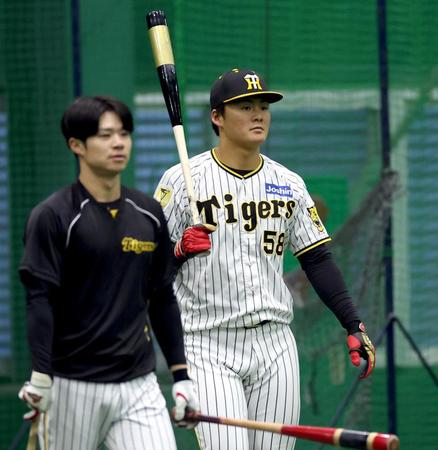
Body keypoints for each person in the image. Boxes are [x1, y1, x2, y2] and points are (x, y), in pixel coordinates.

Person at [154, 68, 376, 450]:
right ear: (217, 117)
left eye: (263, 106)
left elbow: (317, 260)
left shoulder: (288, 183)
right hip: (206, 343)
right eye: (245, 106)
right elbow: (148, 273)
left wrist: (352, 323)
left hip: (274, 344)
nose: (258, 114)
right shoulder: (180, 180)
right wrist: (176, 252)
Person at [18, 96, 199, 450]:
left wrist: (181, 375)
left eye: (124, 133)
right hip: (72, 385)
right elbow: (40, 301)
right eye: (105, 135)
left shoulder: (147, 213)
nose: (118, 143)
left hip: (139, 384)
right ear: (77, 145)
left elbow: (161, 297)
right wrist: (41, 376)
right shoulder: (53, 216)